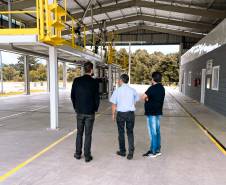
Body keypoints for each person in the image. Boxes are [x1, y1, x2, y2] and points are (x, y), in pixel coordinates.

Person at [71, 61, 100, 163]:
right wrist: (95, 108)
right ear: (91, 70)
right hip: (89, 111)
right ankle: (87, 155)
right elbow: (97, 98)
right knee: (88, 134)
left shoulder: (76, 81)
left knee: (79, 132)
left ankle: (78, 154)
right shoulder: (94, 82)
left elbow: (72, 96)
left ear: (84, 69)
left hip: (79, 111)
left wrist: (76, 107)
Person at [110, 74, 139, 160]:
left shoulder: (117, 91)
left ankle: (122, 152)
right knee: (130, 132)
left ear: (121, 80)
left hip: (121, 115)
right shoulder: (132, 90)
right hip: (130, 114)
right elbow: (135, 102)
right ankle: (131, 151)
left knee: (121, 133)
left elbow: (114, 104)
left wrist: (113, 114)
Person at [141, 72, 165, 158]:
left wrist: (147, 98)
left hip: (152, 114)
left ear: (153, 79)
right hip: (158, 113)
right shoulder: (162, 88)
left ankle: (153, 151)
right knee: (157, 131)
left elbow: (142, 97)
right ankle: (158, 149)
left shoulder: (152, 88)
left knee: (152, 133)